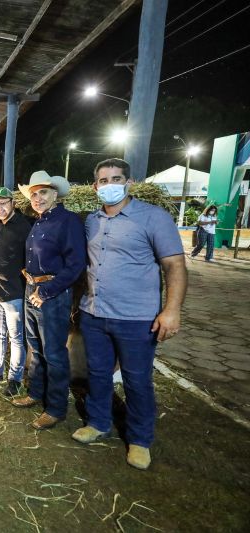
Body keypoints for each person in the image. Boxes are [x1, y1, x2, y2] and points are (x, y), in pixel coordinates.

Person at [73, 158, 187, 471]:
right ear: (95, 186)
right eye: (104, 180)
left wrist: (172, 310)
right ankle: (98, 423)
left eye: (116, 178)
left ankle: (139, 439)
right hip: (94, 312)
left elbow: (174, 265)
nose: (110, 185)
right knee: (97, 372)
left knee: (137, 380)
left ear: (129, 182)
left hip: (136, 317)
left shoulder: (153, 217)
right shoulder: (91, 221)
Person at [11, 171, 86, 430]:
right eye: (33, 194)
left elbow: (76, 264)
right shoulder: (39, 222)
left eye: (43, 192)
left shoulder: (68, 221)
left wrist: (47, 290)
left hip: (50, 294)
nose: (37, 197)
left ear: (55, 194)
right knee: (37, 347)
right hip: (32, 289)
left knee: (54, 352)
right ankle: (35, 393)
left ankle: (55, 408)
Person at [0, 187, 33, 397]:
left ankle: (15, 379)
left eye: (3, 204)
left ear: (13, 203)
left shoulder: (23, 226)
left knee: (16, 338)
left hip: (13, 291)